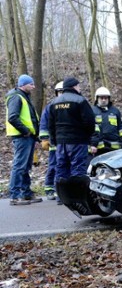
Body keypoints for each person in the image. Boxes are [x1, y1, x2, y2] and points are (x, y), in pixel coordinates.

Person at [48, 77, 96, 188]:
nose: (80, 88)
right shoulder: (80, 101)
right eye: (79, 86)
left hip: (60, 142)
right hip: (78, 141)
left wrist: (54, 140)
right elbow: (89, 121)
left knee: (61, 167)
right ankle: (76, 195)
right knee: (78, 168)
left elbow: (51, 125)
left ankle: (61, 195)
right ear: (74, 86)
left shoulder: (54, 103)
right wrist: (88, 137)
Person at [5, 74, 43, 206]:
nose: (33, 86)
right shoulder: (16, 97)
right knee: (19, 166)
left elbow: (30, 119)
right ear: (23, 84)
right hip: (22, 137)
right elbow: (13, 117)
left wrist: (35, 136)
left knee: (25, 166)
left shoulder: (24, 97)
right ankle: (15, 195)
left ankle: (26, 193)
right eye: (31, 84)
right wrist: (26, 131)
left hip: (27, 137)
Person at [39, 81, 64, 200]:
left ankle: (60, 189)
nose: (61, 94)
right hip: (54, 142)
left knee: (63, 166)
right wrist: (44, 138)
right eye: (59, 92)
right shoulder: (50, 106)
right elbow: (44, 123)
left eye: (63, 91)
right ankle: (49, 188)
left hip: (65, 141)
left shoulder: (71, 105)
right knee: (53, 165)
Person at [90, 86, 122, 156]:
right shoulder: (92, 111)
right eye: (101, 98)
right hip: (98, 148)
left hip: (114, 148)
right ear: (97, 98)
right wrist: (92, 144)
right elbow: (90, 129)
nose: (104, 100)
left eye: (106, 98)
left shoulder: (115, 111)